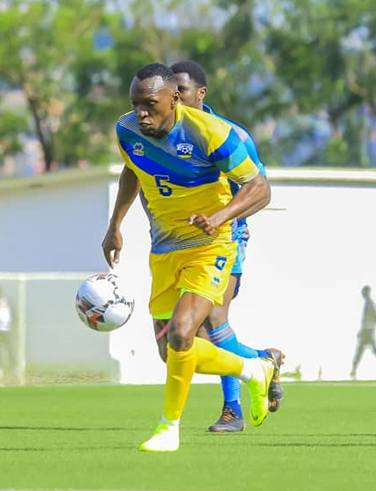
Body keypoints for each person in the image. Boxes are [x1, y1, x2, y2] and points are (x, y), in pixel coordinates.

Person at [103, 63, 276, 452]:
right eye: (135, 104)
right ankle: (255, 368)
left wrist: (218, 217)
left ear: (175, 99)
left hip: (211, 244)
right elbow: (132, 169)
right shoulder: (127, 129)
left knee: (186, 330)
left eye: (149, 104)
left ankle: (170, 428)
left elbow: (261, 189)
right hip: (164, 248)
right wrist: (114, 225)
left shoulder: (214, 134)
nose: (141, 113)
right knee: (171, 352)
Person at [170, 60, 283, 433]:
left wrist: (226, 221)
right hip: (184, 242)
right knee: (201, 331)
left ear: (200, 93)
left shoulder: (228, 134)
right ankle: (264, 361)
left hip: (227, 236)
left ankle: (233, 409)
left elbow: (259, 186)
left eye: (181, 91)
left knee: (212, 322)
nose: (175, 98)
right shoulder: (166, 133)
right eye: (171, 92)